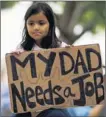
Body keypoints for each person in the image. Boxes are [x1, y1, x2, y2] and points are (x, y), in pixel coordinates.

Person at [11, 2, 92, 117]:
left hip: (54, 107)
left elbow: (72, 76)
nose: (36, 27)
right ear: (26, 26)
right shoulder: (22, 50)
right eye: (31, 23)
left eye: (41, 23)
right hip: (29, 108)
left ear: (50, 25)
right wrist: (15, 59)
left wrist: (71, 55)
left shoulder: (60, 48)